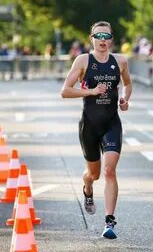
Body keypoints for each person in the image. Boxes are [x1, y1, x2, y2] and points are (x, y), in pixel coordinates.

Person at [61, 21, 132, 239]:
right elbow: (65, 91)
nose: (102, 40)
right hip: (89, 125)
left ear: (111, 39)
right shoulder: (83, 61)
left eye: (106, 36)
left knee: (110, 171)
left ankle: (109, 222)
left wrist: (124, 98)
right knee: (94, 174)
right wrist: (91, 91)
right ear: (91, 38)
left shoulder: (120, 61)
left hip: (111, 123)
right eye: (98, 36)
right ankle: (87, 188)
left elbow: (127, 84)